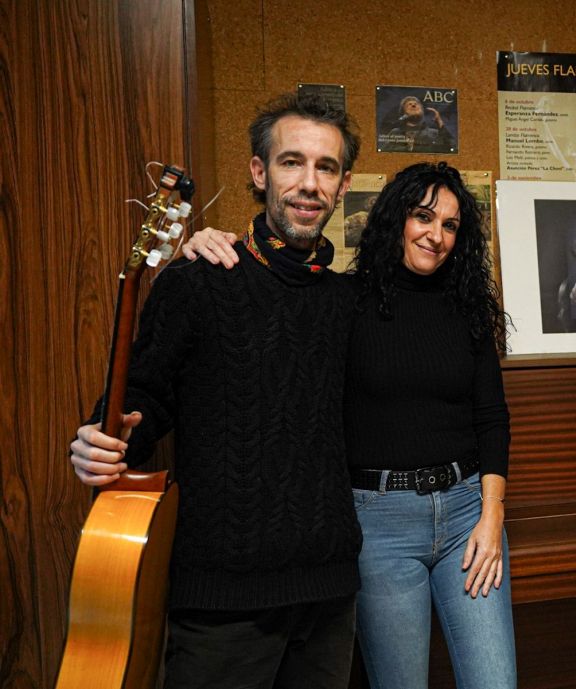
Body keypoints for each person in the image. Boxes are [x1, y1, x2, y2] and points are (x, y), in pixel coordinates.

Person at [68, 92, 363, 688]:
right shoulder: (198, 280)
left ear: (343, 183)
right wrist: (103, 440)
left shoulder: (344, 301)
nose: (309, 183)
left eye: (325, 167)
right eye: (291, 162)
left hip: (330, 598)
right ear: (259, 171)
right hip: (221, 607)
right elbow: (140, 400)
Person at [184, 162, 517, 689]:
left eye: (451, 225)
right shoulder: (342, 301)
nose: (435, 235)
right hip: (379, 526)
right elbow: (269, 290)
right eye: (423, 216)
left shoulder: (469, 307)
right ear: (394, 220)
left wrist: (492, 517)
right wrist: (210, 244)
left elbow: (491, 417)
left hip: (466, 519)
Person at [383, 95, 454, 153]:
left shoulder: (434, 133)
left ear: (422, 112)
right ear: (403, 113)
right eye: (409, 104)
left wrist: (440, 122)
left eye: (416, 104)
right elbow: (384, 154)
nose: (413, 105)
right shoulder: (395, 133)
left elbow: (451, 148)